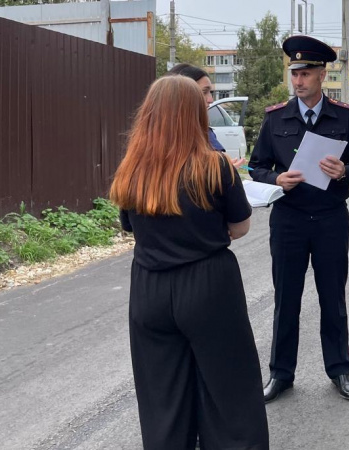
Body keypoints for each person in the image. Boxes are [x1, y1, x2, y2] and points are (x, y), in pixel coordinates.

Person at [109, 76, 269, 449]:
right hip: (208, 285)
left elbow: (131, 226)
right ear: (194, 115)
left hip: (149, 289)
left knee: (162, 398)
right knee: (230, 393)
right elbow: (240, 226)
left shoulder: (132, 169)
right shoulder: (215, 166)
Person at [249, 35, 349, 403]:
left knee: (332, 298)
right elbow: (257, 166)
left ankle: (340, 371)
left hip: (331, 219)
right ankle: (281, 375)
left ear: (322, 74)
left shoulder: (344, 117)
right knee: (286, 299)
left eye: (305, 73)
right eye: (294, 73)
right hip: (288, 220)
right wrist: (276, 179)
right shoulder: (275, 119)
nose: (298, 80)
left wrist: (343, 172)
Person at [166, 63, 247, 169]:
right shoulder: (155, 140)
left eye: (210, 92)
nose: (210, 99)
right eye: (204, 92)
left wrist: (223, 169)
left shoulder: (205, 132)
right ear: (182, 95)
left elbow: (216, 164)